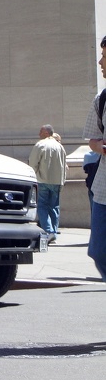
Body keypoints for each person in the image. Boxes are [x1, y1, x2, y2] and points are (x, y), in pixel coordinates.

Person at [82, 35, 106, 281]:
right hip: (103, 189)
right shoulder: (101, 99)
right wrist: (102, 147)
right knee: (99, 251)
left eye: (105, 57)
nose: (100, 62)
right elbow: (92, 139)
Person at [28, 124, 67, 244]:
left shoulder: (40, 145)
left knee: (42, 206)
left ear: (46, 133)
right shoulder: (60, 147)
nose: (39, 134)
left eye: (41, 131)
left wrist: (31, 176)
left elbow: (33, 163)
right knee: (54, 207)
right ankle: (53, 232)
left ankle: (48, 231)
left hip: (42, 180)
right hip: (57, 181)